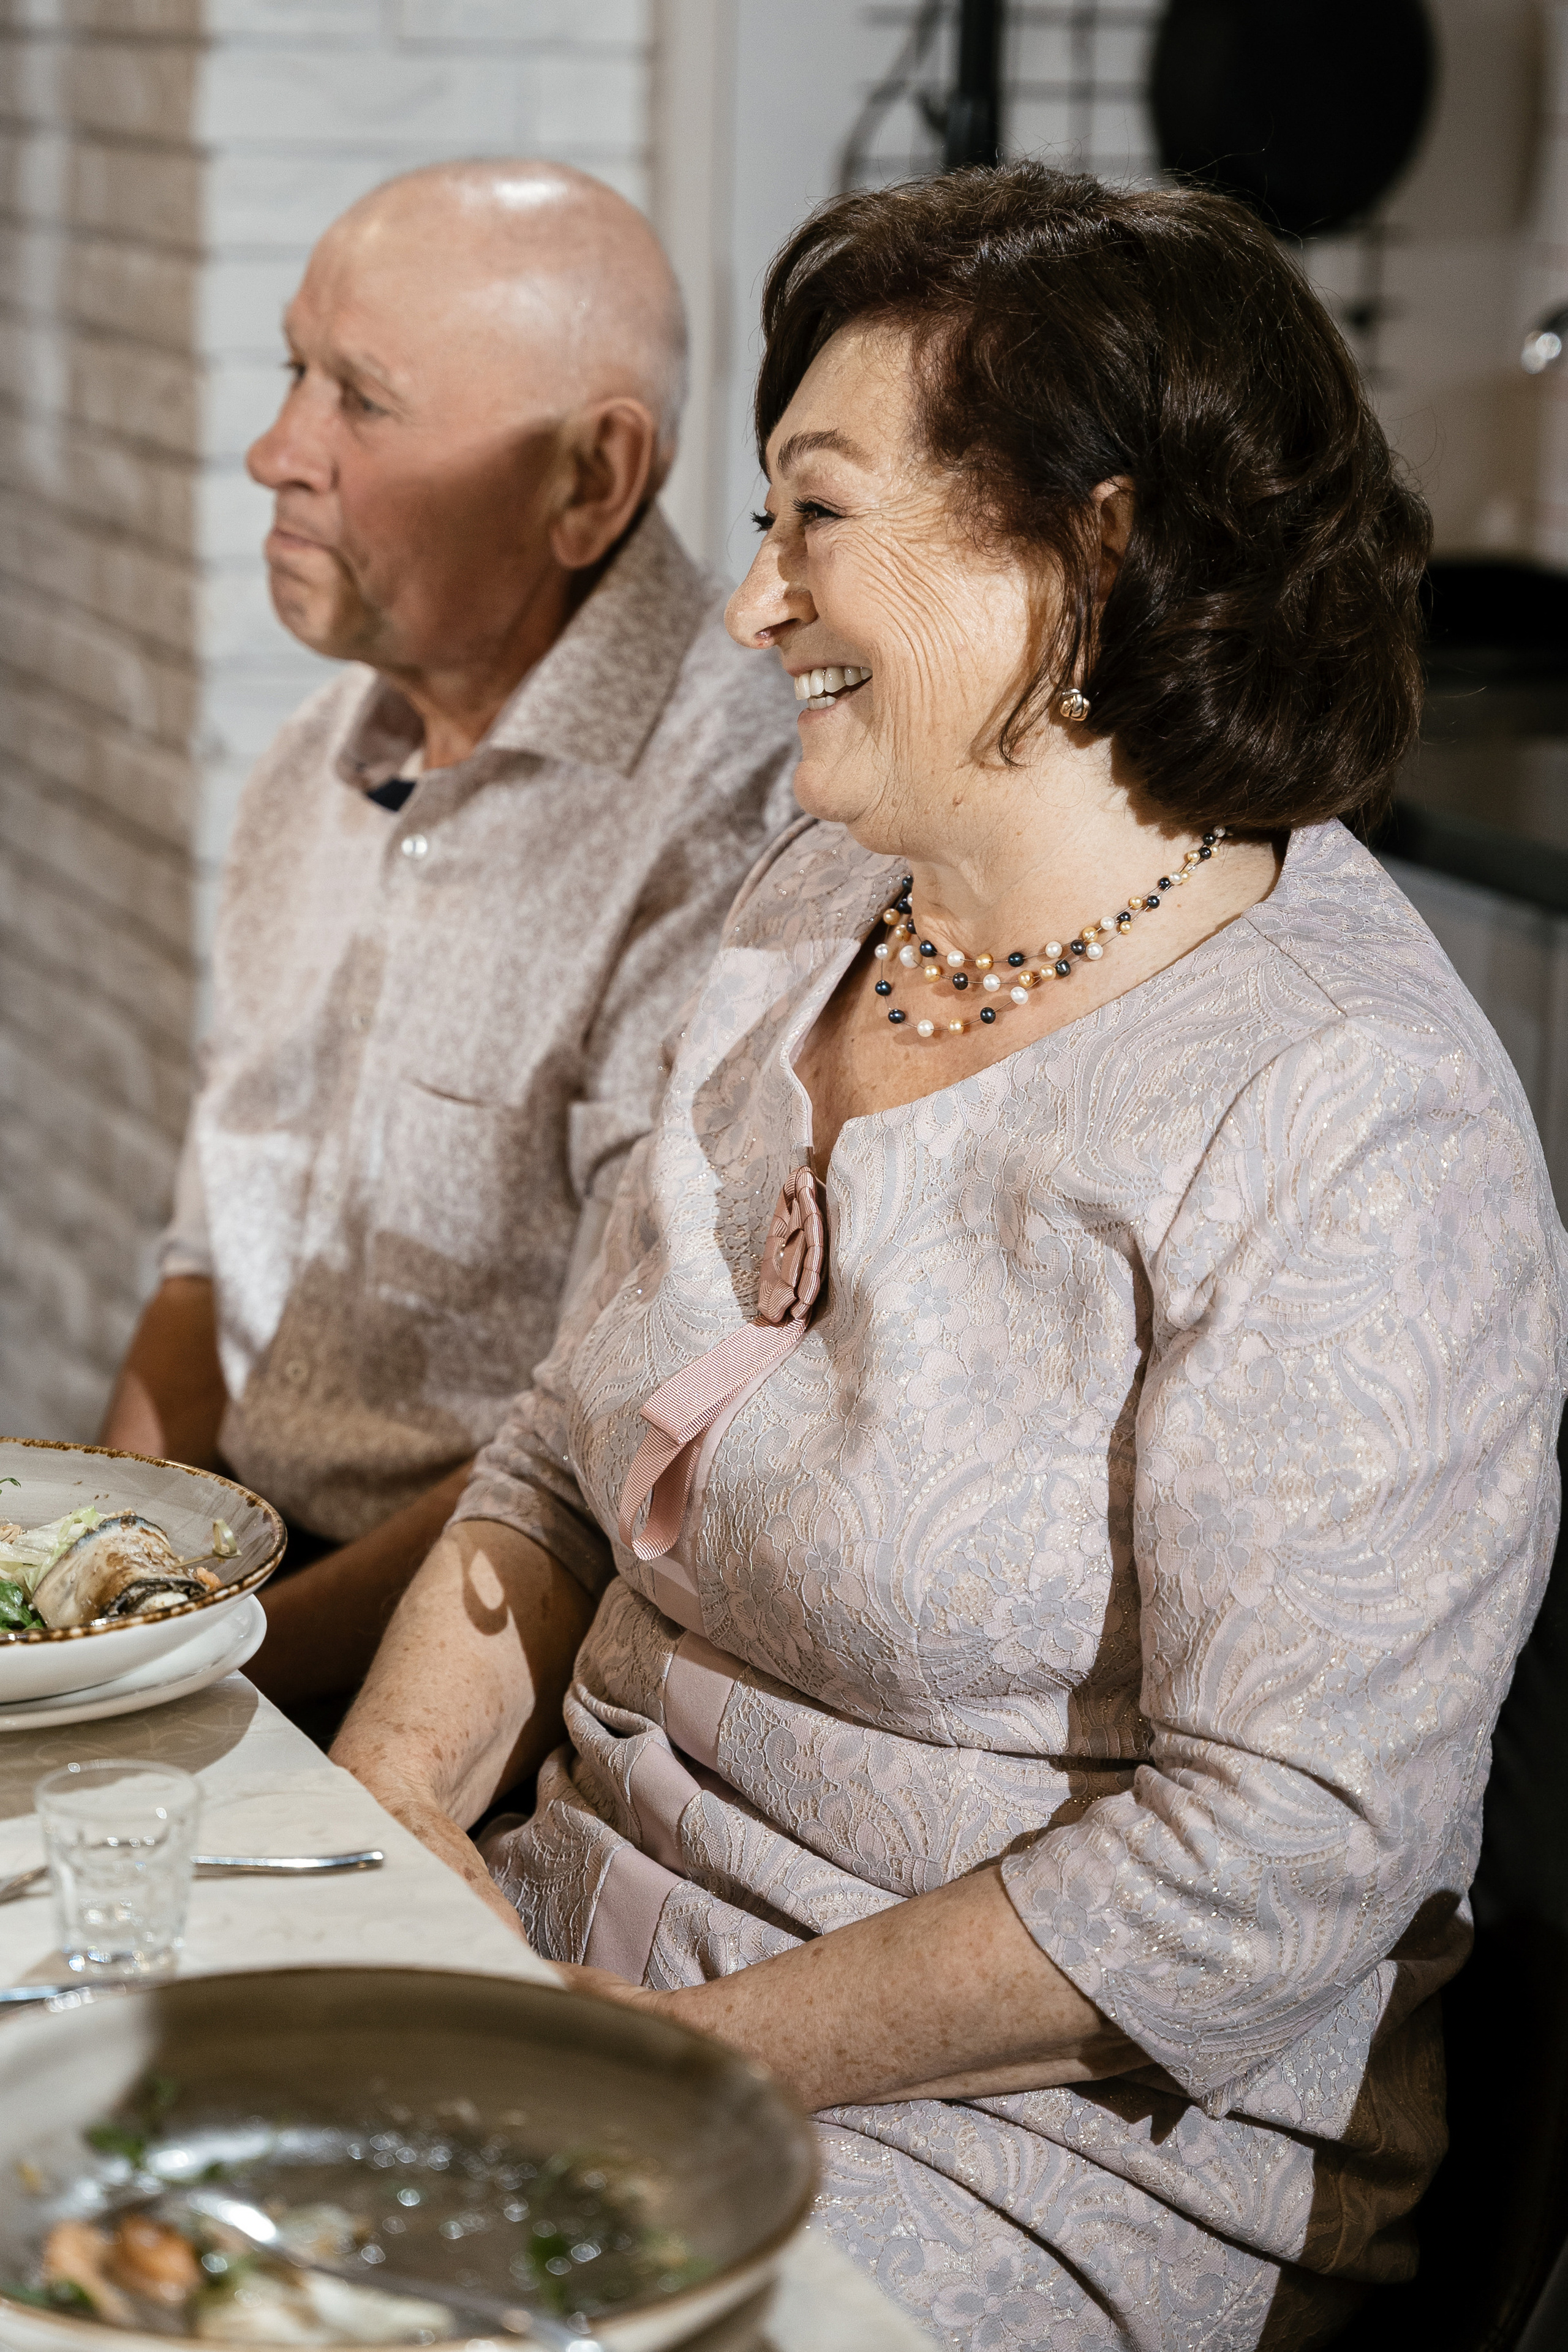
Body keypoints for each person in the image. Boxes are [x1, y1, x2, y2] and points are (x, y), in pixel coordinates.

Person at [332, 165, 1568, 2351]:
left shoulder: (1355, 1118)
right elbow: (550, 1450)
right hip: (565, 1970)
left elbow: (1266, 1861)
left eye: (817, 517)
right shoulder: (816, 910)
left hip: (1031, 2151)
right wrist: (380, 1829)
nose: (747, 605)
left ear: (1087, 552)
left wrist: (666, 2068)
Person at [96, 159, 799, 1719]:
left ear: (588, 483)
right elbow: (209, 1265)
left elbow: (589, 1461)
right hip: (231, 1594)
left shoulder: (735, 823)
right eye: (294, 371)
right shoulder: (313, 759)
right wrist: (90, 1601)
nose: (275, 449)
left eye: (361, 400)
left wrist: (188, 1681)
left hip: (478, 1650)